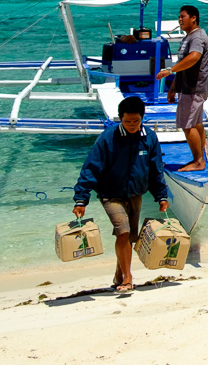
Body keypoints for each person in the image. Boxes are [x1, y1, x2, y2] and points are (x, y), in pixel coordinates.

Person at [72, 95, 170, 293]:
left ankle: (118, 276)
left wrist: (161, 195)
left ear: (142, 118)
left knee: (130, 237)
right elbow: (91, 168)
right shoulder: (107, 138)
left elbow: (155, 168)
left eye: (136, 121)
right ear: (120, 118)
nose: (132, 125)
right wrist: (81, 198)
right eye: (127, 121)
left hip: (135, 194)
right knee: (122, 231)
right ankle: (128, 277)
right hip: (110, 194)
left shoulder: (149, 137)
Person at [156, 4, 208, 172]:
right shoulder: (188, 37)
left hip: (194, 88)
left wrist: (169, 70)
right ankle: (201, 157)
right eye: (179, 17)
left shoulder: (197, 37)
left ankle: (198, 161)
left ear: (193, 18)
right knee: (196, 123)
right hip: (189, 87)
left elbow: (194, 57)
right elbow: (183, 65)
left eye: (183, 17)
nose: (179, 20)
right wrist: (173, 87)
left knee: (188, 125)